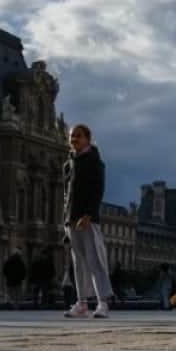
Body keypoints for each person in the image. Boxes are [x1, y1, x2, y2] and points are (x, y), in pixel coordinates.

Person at [61, 124, 114, 318]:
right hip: (71, 219)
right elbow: (66, 196)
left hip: (87, 219)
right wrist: (66, 221)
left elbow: (97, 190)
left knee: (94, 261)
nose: (74, 139)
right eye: (71, 136)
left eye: (78, 136)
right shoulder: (68, 164)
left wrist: (88, 215)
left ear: (88, 139)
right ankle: (81, 303)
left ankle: (102, 303)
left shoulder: (94, 161)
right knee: (78, 263)